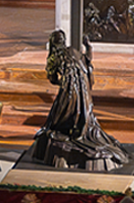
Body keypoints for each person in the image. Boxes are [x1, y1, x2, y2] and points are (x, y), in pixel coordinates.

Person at [31, 31, 124, 169]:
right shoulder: (72, 51)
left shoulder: (53, 58)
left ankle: (67, 136)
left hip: (69, 91)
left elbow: (52, 78)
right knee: (80, 114)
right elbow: (87, 60)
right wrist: (88, 47)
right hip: (84, 91)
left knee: (59, 116)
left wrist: (61, 82)